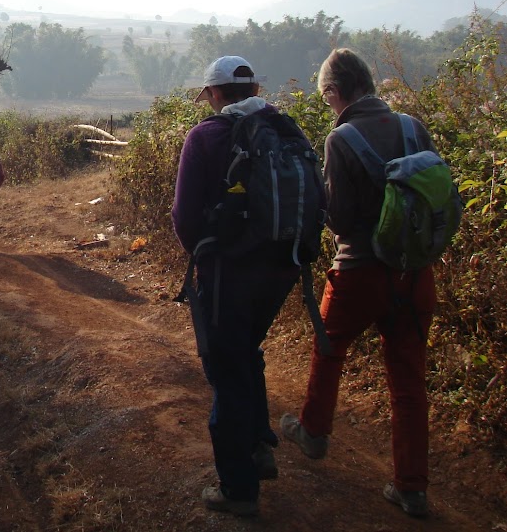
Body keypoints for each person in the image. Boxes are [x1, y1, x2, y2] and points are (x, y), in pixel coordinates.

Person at [280, 48, 437, 519]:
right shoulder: (412, 126)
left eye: (326, 96)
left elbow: (343, 220)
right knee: (408, 380)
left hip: (359, 273)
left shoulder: (341, 137)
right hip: (414, 273)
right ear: (369, 82)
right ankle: (411, 488)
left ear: (333, 92)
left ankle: (313, 431)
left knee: (329, 348)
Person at [172, 56, 308, 517]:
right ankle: (257, 444)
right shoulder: (287, 128)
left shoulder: (207, 136)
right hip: (284, 268)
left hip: (229, 272)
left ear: (213, 93)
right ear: (254, 89)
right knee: (247, 349)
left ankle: (238, 488)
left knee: (225, 365)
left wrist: (207, 253)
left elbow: (184, 217)